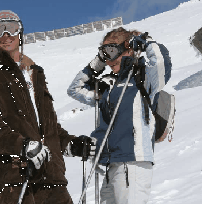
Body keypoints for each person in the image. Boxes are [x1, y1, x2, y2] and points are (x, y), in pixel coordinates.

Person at [0, 10, 96, 204]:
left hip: (50, 177)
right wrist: (22, 146)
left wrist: (71, 144)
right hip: (12, 178)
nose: (5, 35)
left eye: (11, 28)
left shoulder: (35, 73)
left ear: (20, 32)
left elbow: (47, 128)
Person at [67, 27, 172, 204]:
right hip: (110, 162)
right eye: (105, 53)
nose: (110, 58)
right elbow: (75, 89)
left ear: (128, 48)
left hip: (133, 161)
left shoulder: (143, 78)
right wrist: (98, 64)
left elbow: (162, 64)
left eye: (113, 50)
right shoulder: (107, 86)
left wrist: (145, 43)